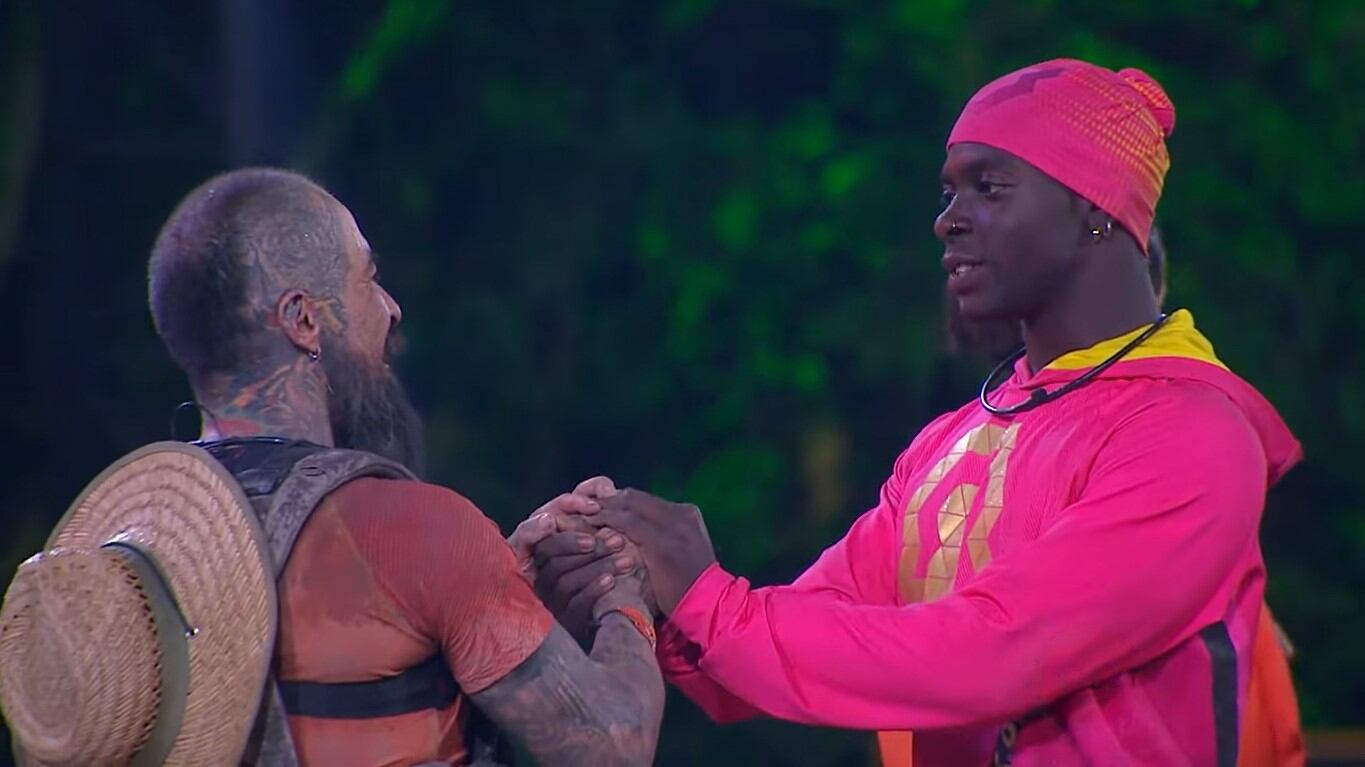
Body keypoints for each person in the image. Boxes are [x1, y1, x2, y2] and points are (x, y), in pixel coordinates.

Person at [533, 59, 1303, 765]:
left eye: (988, 187)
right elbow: (812, 629)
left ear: (1092, 209)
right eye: (947, 193)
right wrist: (640, 592)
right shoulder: (951, 440)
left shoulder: (1190, 435)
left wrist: (708, 600)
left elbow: (992, 653)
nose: (947, 219)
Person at [142, 168, 662, 765]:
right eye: (368, 279)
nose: (391, 308)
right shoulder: (415, 530)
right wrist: (626, 599)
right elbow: (613, 745)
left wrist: (493, 580)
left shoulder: (133, 545)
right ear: (303, 319)